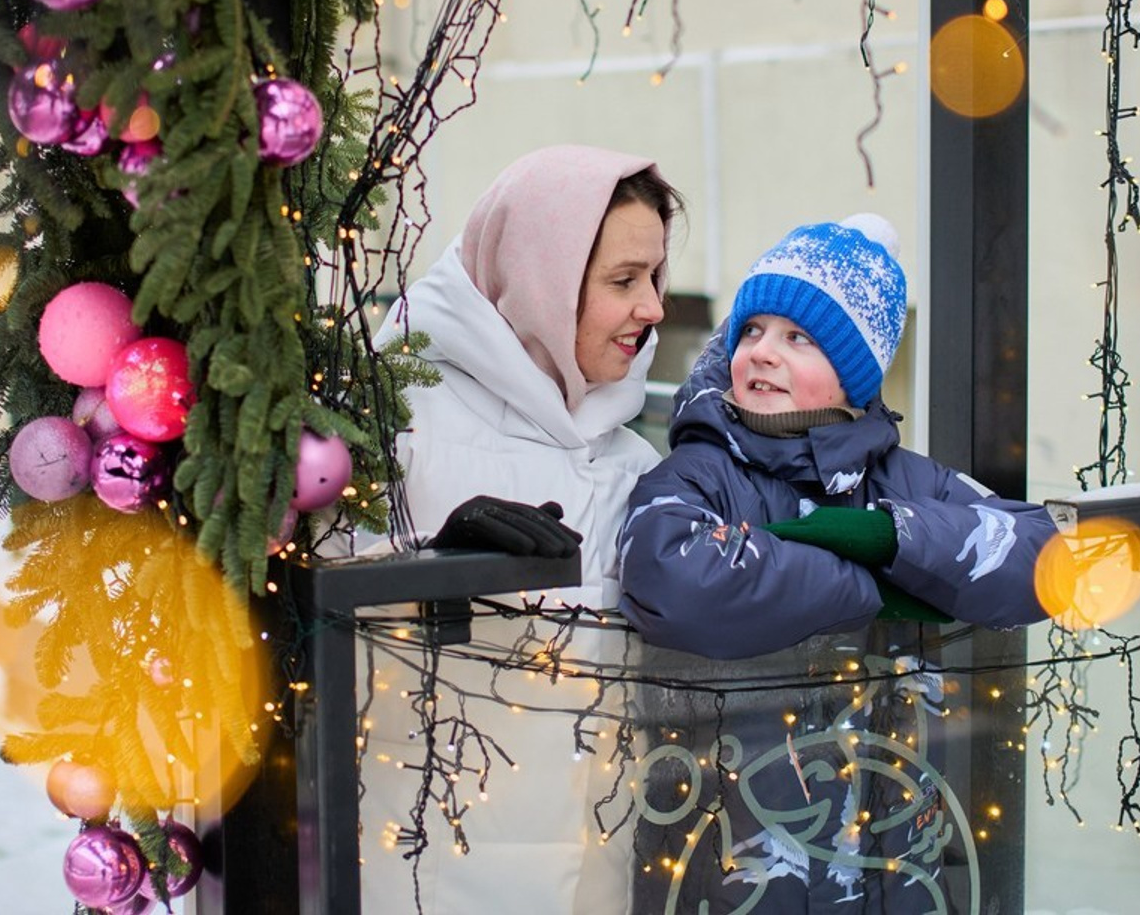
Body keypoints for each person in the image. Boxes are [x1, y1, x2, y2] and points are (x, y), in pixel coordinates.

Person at [358, 143, 684, 914]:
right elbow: (291, 605)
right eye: (623, 281)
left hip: (589, 873)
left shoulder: (637, 459)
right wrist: (424, 557)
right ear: (543, 283)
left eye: (657, 277)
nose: (654, 309)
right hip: (422, 867)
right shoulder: (395, 414)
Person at [617, 212, 1058, 658]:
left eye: (798, 338)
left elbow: (1046, 554)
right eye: (750, 331)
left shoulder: (897, 478)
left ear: (854, 376)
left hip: (880, 729)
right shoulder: (698, 472)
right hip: (730, 727)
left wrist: (889, 538)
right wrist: (878, 589)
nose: (762, 352)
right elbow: (674, 585)